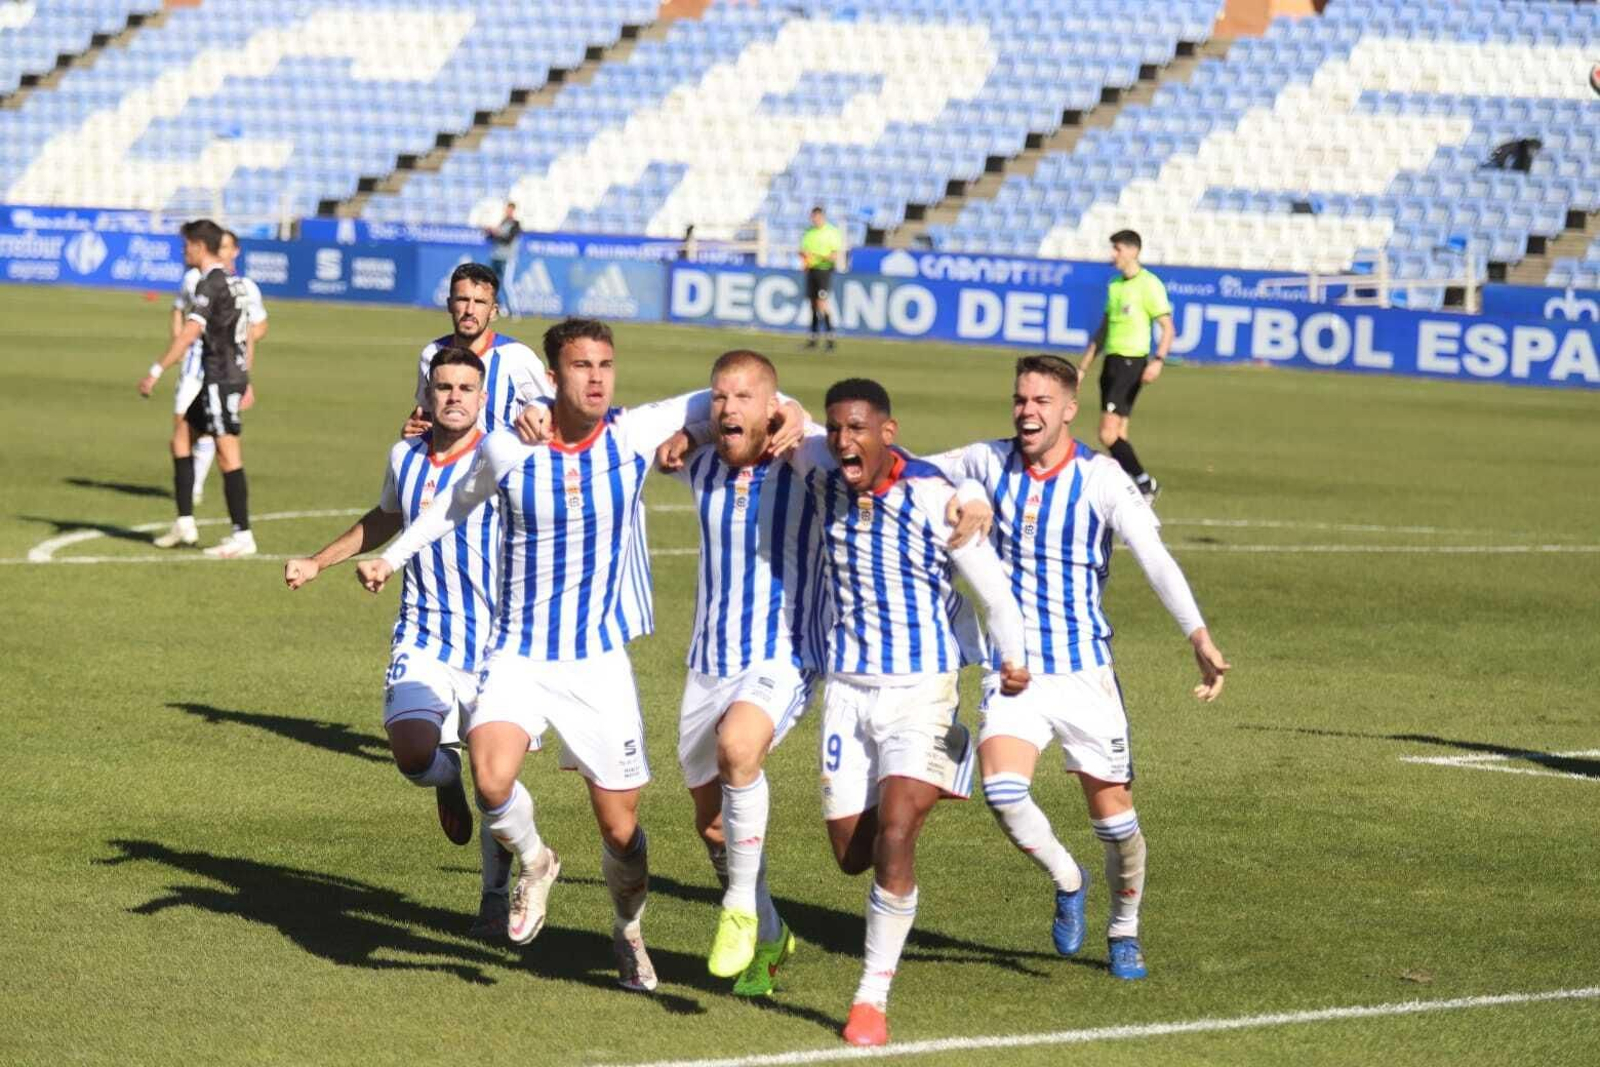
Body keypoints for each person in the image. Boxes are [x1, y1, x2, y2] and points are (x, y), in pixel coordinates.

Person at [355, 318, 806, 992]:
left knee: (622, 831)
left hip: (598, 663)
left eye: (605, 364)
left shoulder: (631, 432)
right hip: (518, 653)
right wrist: (391, 556)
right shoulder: (513, 446)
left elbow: (736, 394)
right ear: (552, 376)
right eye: (580, 366)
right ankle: (536, 861)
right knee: (490, 777)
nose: (595, 377)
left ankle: (628, 931)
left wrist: (792, 409)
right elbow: (452, 505)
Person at [919, 354, 1230, 983]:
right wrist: (968, 494)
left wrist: (1195, 634)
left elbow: (1155, 557)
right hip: (1019, 671)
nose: (1026, 411)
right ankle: (1068, 878)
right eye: (1019, 399)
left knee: (1117, 823)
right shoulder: (986, 459)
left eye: (1040, 402)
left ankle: (1124, 930)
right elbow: (913, 472)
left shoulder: (1102, 479)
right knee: (1004, 790)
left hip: (1086, 673)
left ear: (1068, 408)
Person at [785, 378, 1028, 1047]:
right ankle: (934, 767)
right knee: (850, 853)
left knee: (896, 832)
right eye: (835, 429)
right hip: (847, 692)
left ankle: (870, 998)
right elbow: (775, 410)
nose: (843, 441)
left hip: (922, 689)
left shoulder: (933, 498)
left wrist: (1014, 657)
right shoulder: (820, 466)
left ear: (887, 432)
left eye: (857, 428)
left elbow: (992, 587)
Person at [282, 347, 514, 937]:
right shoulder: (404, 455)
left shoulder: (505, 458)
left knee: (499, 785)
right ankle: (445, 778)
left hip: (497, 644)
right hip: (424, 631)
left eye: (467, 387)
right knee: (413, 752)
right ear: (428, 395)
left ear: (482, 397)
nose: (455, 396)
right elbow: (387, 518)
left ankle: (494, 897)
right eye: (444, 387)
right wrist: (319, 561)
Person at [651, 350, 825, 997]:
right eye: (720, 397)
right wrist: (690, 428)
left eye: (744, 397)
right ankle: (773, 932)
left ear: (772, 406)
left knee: (738, 749)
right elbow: (658, 426)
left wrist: (799, 414)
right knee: (714, 828)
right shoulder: (698, 461)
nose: (728, 407)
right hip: (707, 662)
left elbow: (854, 447)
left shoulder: (805, 463)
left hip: (783, 653)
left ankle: (741, 911)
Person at [139, 218, 256, 559]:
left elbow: (190, 332)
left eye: (186, 245)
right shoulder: (235, 282)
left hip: (221, 377)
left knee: (227, 453)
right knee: (181, 437)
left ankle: (243, 534)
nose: (183, 251)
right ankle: (185, 522)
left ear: (200, 247)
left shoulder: (211, 284)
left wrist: (157, 369)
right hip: (223, 375)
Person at [168, 228, 268, 507]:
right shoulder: (193, 279)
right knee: (182, 429)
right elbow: (179, 309)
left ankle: (198, 492)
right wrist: (178, 342)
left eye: (227, 248)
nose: (222, 252)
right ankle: (187, 512)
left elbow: (256, 327)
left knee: (217, 437)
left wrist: (235, 350)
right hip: (192, 366)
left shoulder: (245, 287)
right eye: (219, 247)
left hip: (221, 371)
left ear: (235, 251)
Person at [1078, 230, 1174, 502]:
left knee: (1106, 434)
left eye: (1117, 249)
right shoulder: (1115, 285)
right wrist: (1083, 366)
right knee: (1119, 434)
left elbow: (1167, 328)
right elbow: (1104, 328)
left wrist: (1158, 361)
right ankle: (1128, 491)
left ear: (1133, 251)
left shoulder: (1149, 284)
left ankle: (1145, 483)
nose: (1113, 255)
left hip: (1132, 363)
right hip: (1111, 362)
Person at [403, 262, 549, 438]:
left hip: (502, 465)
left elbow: (552, 409)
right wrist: (413, 433)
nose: (470, 310)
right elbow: (426, 413)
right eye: (463, 300)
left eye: (479, 302)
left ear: (493, 311)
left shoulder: (518, 357)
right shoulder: (432, 354)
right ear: (450, 304)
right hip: (451, 464)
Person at [800, 206, 844, 351]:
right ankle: (813, 338)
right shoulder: (808, 232)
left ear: (823, 217)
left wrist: (817, 256)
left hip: (824, 271)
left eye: (817, 217)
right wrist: (805, 257)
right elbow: (803, 251)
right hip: (811, 270)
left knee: (822, 304)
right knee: (812, 304)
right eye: (813, 217)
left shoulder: (832, 232)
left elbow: (834, 256)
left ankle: (830, 337)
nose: (815, 220)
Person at [484, 201, 522, 315]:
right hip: (496, 257)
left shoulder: (516, 224)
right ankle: (500, 307)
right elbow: (492, 238)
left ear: (513, 210)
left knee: (506, 284)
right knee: (492, 284)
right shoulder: (502, 222)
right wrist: (489, 233)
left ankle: (514, 311)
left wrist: (496, 233)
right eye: (506, 209)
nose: (507, 211)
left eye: (509, 209)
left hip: (507, 258)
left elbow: (508, 240)